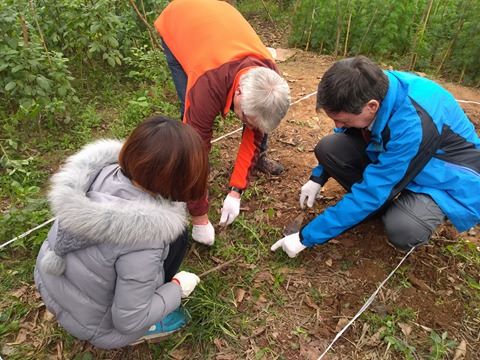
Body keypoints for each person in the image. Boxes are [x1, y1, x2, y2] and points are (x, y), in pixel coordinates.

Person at [272, 56, 480, 258]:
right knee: (330, 148)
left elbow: (373, 191)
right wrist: (318, 177)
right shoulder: (375, 86)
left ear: (372, 106)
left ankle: (402, 210)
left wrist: (305, 237)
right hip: (406, 158)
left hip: (444, 178)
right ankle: (375, 207)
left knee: (403, 227)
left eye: (342, 119)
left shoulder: (412, 124)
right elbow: (347, 134)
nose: (337, 125)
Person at [34, 116, 209, 349]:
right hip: (97, 325)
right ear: (177, 180)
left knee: (176, 236)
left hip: (51, 283)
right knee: (176, 241)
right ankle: (154, 325)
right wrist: (176, 288)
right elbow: (129, 320)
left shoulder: (98, 173)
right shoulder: (145, 238)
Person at [154, 0, 290, 246]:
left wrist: (236, 190)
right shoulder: (207, 85)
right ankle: (181, 163)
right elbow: (197, 150)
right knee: (191, 120)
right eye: (247, 120)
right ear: (238, 93)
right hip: (180, 21)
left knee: (256, 120)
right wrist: (200, 217)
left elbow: (253, 134)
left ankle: (257, 160)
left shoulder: (270, 79)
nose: (250, 126)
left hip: (221, 21)